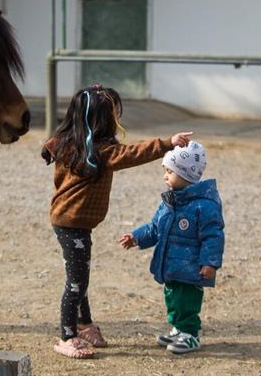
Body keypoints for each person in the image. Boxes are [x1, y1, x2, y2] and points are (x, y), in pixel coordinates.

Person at [41, 84, 193, 359]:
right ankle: (67, 336)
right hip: (70, 223)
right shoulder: (97, 151)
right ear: (101, 120)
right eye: (113, 113)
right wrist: (167, 143)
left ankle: (84, 324)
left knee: (80, 275)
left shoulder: (74, 144)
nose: (117, 117)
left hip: (74, 223)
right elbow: (130, 154)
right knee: (75, 282)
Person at [119, 140, 225, 354]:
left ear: (186, 175)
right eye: (165, 171)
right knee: (173, 298)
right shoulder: (169, 202)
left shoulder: (204, 205)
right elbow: (155, 227)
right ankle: (179, 329)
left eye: (170, 171)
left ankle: (191, 334)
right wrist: (137, 237)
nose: (165, 176)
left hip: (191, 266)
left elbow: (213, 235)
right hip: (171, 265)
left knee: (187, 300)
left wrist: (210, 262)